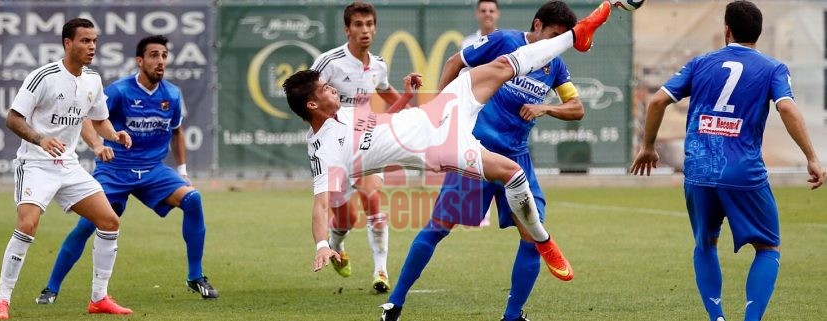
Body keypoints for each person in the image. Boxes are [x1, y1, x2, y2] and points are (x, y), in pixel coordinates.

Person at [282, 2, 609, 320]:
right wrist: (322, 244)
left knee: (502, 66)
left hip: (438, 113)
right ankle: (544, 240)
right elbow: (320, 204)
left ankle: (578, 35)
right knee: (512, 172)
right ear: (312, 105)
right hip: (441, 145)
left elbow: (381, 128)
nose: (333, 89)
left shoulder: (343, 112)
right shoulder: (324, 149)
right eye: (326, 88)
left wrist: (407, 98)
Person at [386, 2, 583, 320]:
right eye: (553, 35)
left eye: (562, 39)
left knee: (534, 236)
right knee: (439, 227)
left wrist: (546, 108)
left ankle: (513, 315)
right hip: (475, 153)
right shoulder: (504, 41)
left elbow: (576, 108)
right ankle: (394, 302)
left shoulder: (556, 66)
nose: (555, 43)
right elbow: (456, 60)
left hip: (516, 160)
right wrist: (440, 108)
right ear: (537, 25)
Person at [630, 1, 826, 321]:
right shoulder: (773, 68)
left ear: (726, 30)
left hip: (700, 170)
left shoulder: (700, 63)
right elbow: (787, 108)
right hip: (743, 171)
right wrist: (812, 157)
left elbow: (657, 101)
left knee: (705, 244)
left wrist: (648, 146)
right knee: (768, 247)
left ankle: (716, 317)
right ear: (758, 34)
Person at [32, 35, 219, 306]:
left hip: (153, 170)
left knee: (193, 199)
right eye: (154, 55)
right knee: (88, 224)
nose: (161, 61)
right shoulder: (119, 91)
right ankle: (51, 287)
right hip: (114, 170)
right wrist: (97, 145)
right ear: (140, 61)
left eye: (164, 55)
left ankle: (195, 276)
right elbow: (88, 118)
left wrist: (182, 170)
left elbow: (178, 131)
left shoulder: (172, 94)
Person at [0, 18, 134, 320]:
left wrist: (114, 134)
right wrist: (41, 139)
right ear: (68, 43)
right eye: (85, 41)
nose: (92, 46)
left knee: (109, 221)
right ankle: (2, 300)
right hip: (36, 164)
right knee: (27, 224)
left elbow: (98, 120)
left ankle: (99, 298)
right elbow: (13, 119)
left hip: (68, 165)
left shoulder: (93, 80)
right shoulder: (43, 76)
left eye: (94, 41)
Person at [310, 1, 407, 293]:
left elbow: (384, 89)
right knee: (345, 218)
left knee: (372, 196)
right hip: (336, 151)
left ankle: (381, 271)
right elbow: (306, 92)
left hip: (366, 145)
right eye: (358, 25)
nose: (364, 31)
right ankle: (337, 245)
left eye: (369, 24)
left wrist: (413, 103)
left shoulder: (377, 64)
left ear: (375, 28)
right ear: (347, 29)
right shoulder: (330, 62)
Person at [462, 0, 501, 227]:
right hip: (476, 108)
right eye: (484, 10)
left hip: (501, 109)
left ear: (497, 14)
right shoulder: (469, 43)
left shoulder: (506, 41)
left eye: (491, 11)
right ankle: (479, 211)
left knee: (499, 156)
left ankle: (500, 206)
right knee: (475, 156)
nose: (487, 14)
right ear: (478, 14)